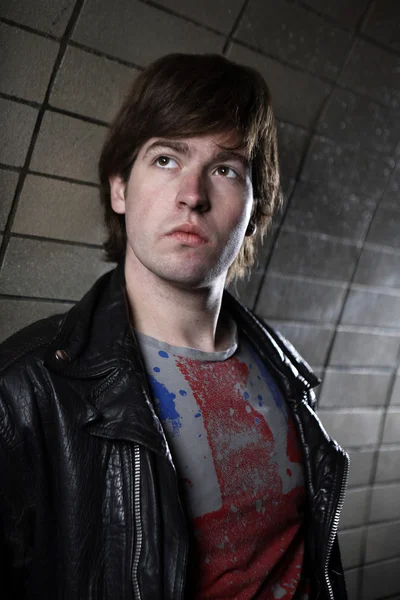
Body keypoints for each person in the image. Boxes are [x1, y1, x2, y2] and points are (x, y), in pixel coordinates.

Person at [0, 53, 349, 599]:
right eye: (166, 159)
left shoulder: (286, 373)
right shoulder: (27, 389)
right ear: (120, 188)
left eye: (225, 169)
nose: (193, 194)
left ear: (254, 209)